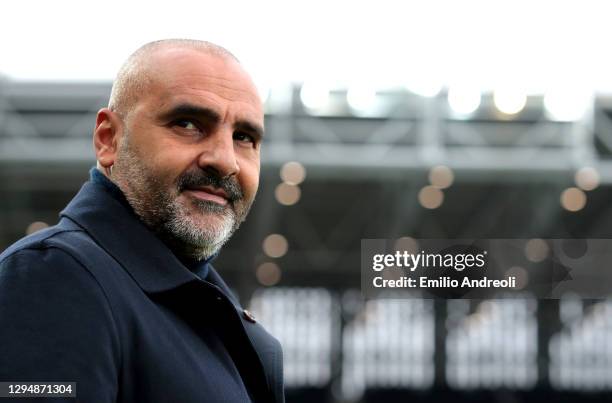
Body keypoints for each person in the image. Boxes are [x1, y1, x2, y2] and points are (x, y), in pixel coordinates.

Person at [0, 39, 284, 403]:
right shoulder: (52, 276)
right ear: (109, 139)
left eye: (244, 137)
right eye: (188, 123)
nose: (225, 160)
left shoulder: (210, 312)